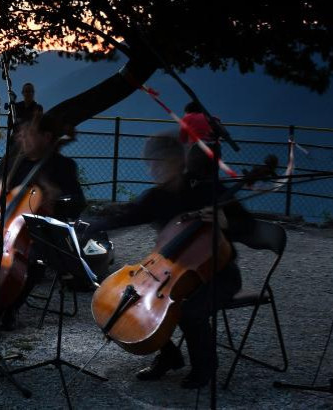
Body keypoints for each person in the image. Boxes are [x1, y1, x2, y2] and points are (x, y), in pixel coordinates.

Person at [84, 132, 255, 389]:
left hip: (218, 273)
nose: (153, 169)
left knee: (189, 310)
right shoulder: (156, 197)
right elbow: (125, 216)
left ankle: (205, 366)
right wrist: (87, 226)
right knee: (138, 304)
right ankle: (170, 355)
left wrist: (226, 222)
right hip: (168, 273)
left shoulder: (207, 190)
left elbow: (249, 227)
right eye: (150, 163)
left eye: (159, 162)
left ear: (177, 161)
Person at [0, 113, 85, 330]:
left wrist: (57, 197)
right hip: (8, 228)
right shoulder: (18, 163)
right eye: (20, 134)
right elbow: (1, 199)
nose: (20, 138)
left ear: (46, 137)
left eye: (27, 133)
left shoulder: (63, 166)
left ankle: (10, 309)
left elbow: (78, 203)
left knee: (33, 261)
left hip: (42, 233)